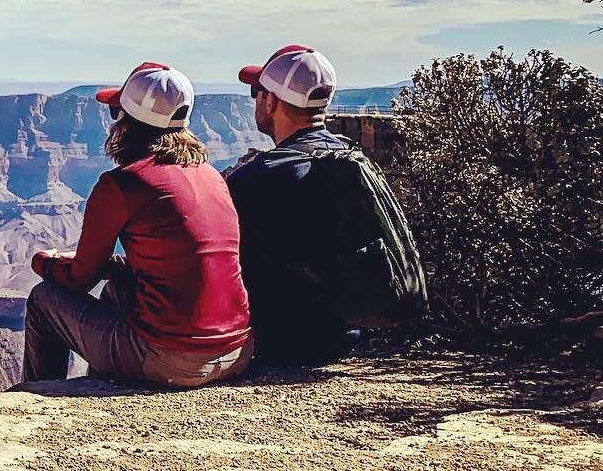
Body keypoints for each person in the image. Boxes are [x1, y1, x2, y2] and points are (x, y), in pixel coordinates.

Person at [25, 62, 253, 387]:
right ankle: (101, 387)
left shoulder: (123, 184)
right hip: (237, 352)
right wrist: (113, 268)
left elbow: (78, 279)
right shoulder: (210, 175)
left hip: (173, 361)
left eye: (115, 112)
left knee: (43, 298)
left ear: (125, 120)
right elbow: (180, 261)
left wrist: (45, 263)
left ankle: (37, 398)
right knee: (119, 289)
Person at [225, 43, 360, 365]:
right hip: (345, 336)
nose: (256, 99)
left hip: (280, 341)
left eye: (257, 91)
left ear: (271, 100)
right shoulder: (350, 158)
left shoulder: (259, 178)